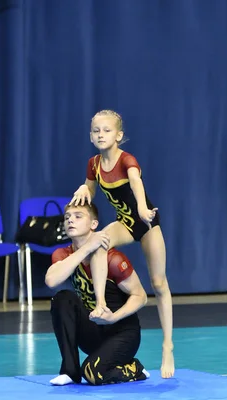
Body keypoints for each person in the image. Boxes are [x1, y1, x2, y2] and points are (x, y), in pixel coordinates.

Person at [70, 109, 174, 378]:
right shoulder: (93, 164)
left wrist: (141, 208)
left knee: (159, 284)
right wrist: (84, 189)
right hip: (125, 222)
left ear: (119, 135)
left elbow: (137, 183)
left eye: (106, 130)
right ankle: (101, 303)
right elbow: (91, 190)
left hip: (146, 221)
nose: (101, 135)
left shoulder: (127, 160)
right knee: (99, 241)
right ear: (91, 135)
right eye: (96, 131)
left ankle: (167, 346)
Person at [45, 202, 150, 386]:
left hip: (122, 332)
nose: (70, 220)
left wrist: (114, 317)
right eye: (67, 217)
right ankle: (69, 371)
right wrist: (86, 248)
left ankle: (134, 367)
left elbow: (141, 296)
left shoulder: (113, 259)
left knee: (92, 374)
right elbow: (51, 281)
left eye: (78, 216)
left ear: (94, 224)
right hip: (94, 328)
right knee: (62, 299)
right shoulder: (63, 254)